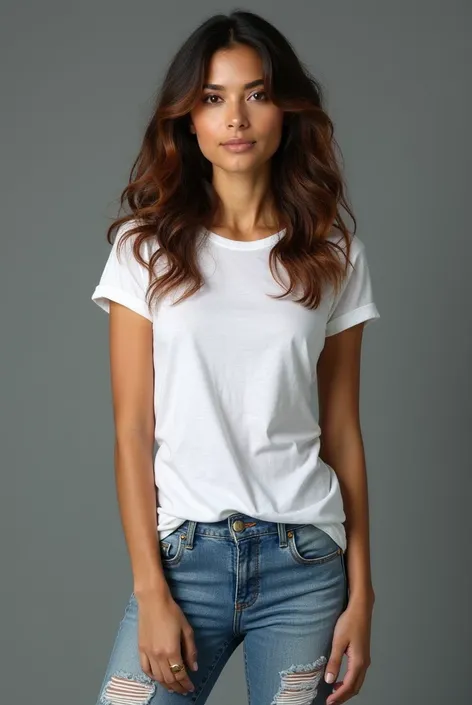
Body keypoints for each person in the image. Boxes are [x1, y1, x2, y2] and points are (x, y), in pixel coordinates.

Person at [90, 10, 380, 705]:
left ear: (285, 109)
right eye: (214, 98)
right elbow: (132, 429)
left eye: (255, 93)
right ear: (188, 118)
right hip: (186, 559)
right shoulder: (144, 249)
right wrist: (150, 587)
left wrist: (363, 592)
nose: (236, 118)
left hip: (306, 563)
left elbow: (342, 430)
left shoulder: (334, 255)